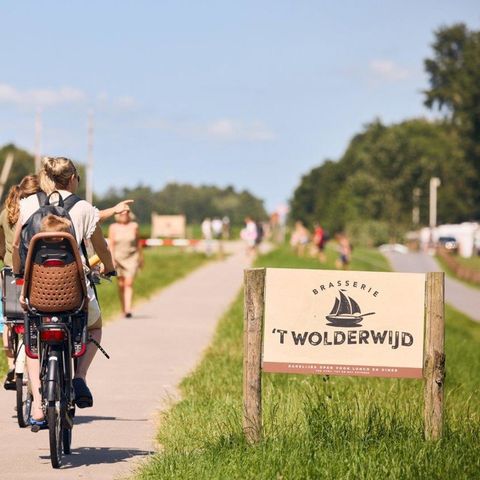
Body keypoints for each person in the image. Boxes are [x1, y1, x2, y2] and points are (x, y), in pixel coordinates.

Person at [12, 157, 116, 428]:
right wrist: (110, 267)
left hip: (36, 290)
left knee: (32, 342)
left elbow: (16, 244)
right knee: (94, 327)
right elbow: (101, 247)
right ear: (72, 178)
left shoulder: (28, 204)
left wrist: (20, 274)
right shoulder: (84, 208)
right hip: (74, 291)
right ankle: (80, 376)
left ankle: (37, 404)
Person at [0, 176, 42, 390]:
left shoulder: (4, 215)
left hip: (9, 273)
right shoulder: (36, 214)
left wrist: (5, 257)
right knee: (33, 316)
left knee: (8, 319)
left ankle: (11, 364)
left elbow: (1, 247)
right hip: (30, 271)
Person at [108, 210, 143, 318]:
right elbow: (111, 244)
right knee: (121, 284)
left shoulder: (134, 226)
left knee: (128, 283)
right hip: (118, 258)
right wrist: (112, 259)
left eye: (126, 213)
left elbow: (138, 242)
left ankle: (128, 309)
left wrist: (140, 257)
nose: (124, 215)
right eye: (122, 213)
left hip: (132, 257)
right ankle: (123, 308)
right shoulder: (113, 227)